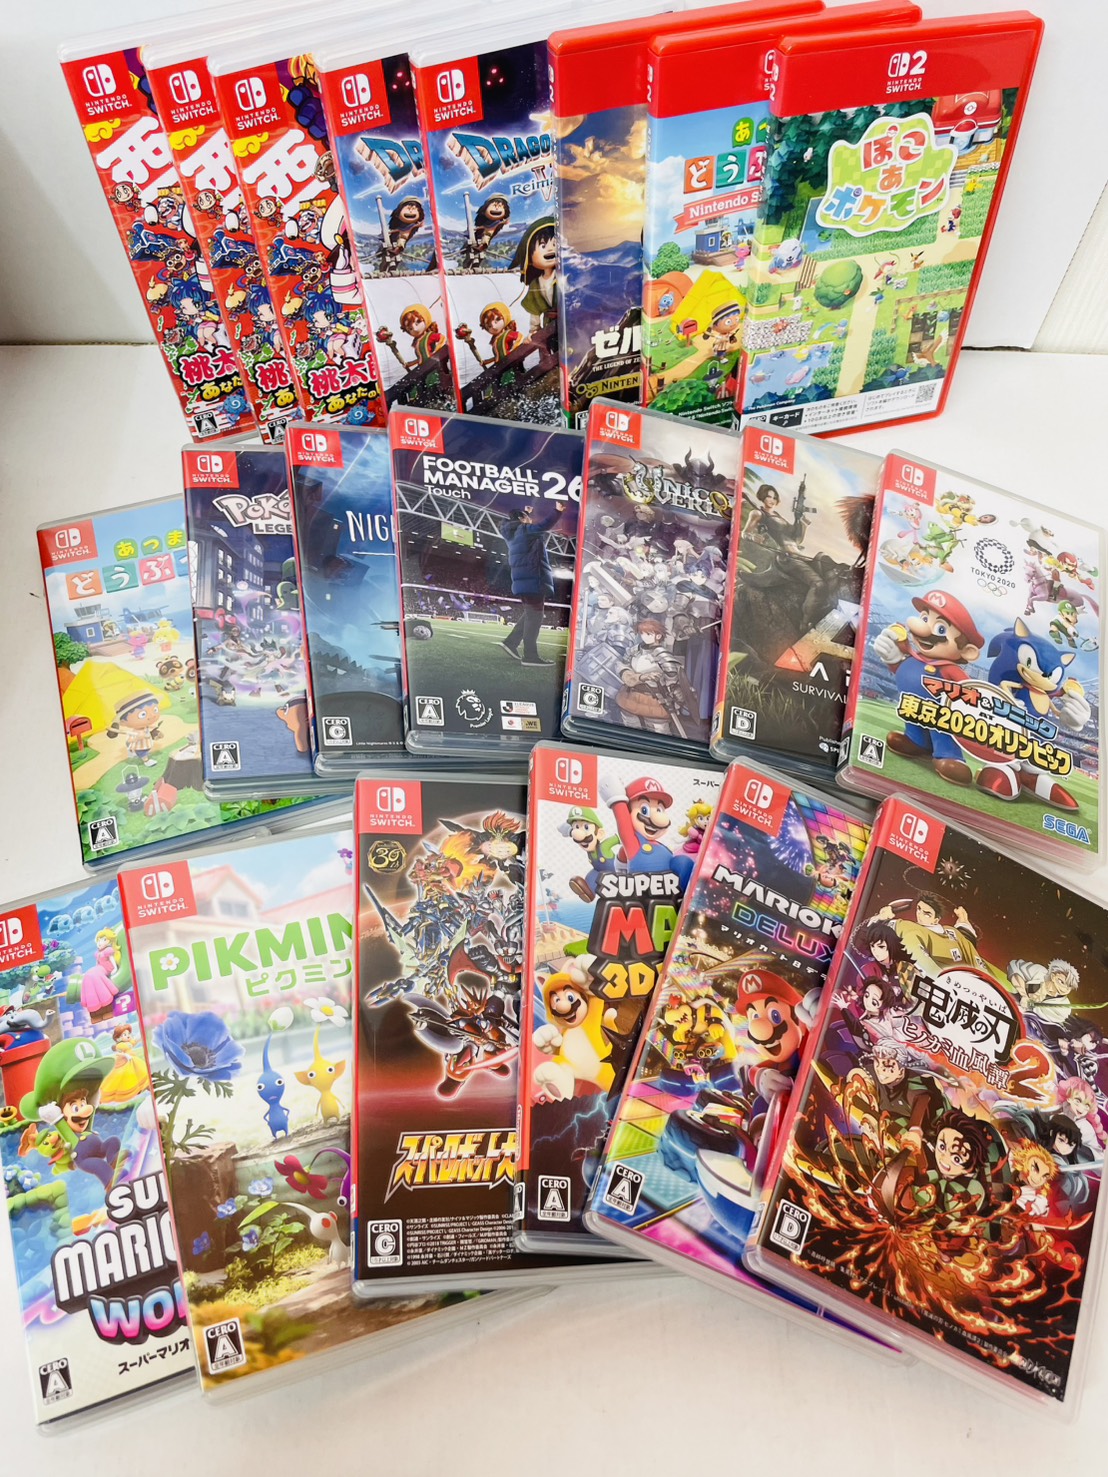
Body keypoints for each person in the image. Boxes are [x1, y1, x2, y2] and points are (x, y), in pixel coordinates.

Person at [499, 502, 565, 666]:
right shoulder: (525, 530)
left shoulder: (512, 533)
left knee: (531, 614)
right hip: (533, 578)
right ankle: (530, 656)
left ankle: (511, 642)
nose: (530, 520)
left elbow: (522, 523)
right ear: (522, 519)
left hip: (523, 579)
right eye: (527, 518)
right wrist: (557, 511)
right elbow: (544, 525)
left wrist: (526, 513)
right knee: (535, 616)